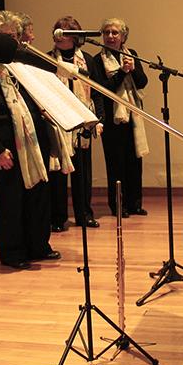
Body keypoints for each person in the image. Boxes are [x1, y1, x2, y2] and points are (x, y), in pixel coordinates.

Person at [0, 10, 60, 269]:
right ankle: (13, 253)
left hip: (34, 141)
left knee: (39, 196)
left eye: (14, 35)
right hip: (6, 146)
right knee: (12, 201)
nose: (12, 40)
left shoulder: (24, 65)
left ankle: (38, 246)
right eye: (5, 35)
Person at [48, 16, 104, 231]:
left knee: (83, 172)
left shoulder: (87, 60)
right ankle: (58, 217)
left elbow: (97, 92)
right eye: (57, 31)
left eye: (65, 32)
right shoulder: (48, 59)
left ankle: (84, 214)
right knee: (60, 173)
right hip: (59, 121)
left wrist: (98, 119)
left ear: (75, 37)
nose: (59, 36)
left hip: (83, 122)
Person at [92, 17, 149, 217]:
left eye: (115, 32)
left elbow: (142, 82)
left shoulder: (131, 55)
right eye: (106, 32)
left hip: (133, 115)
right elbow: (102, 89)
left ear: (123, 36)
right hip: (112, 118)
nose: (110, 36)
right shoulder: (98, 60)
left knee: (134, 162)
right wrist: (122, 73)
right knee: (116, 164)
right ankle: (118, 205)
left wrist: (132, 70)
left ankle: (135, 203)